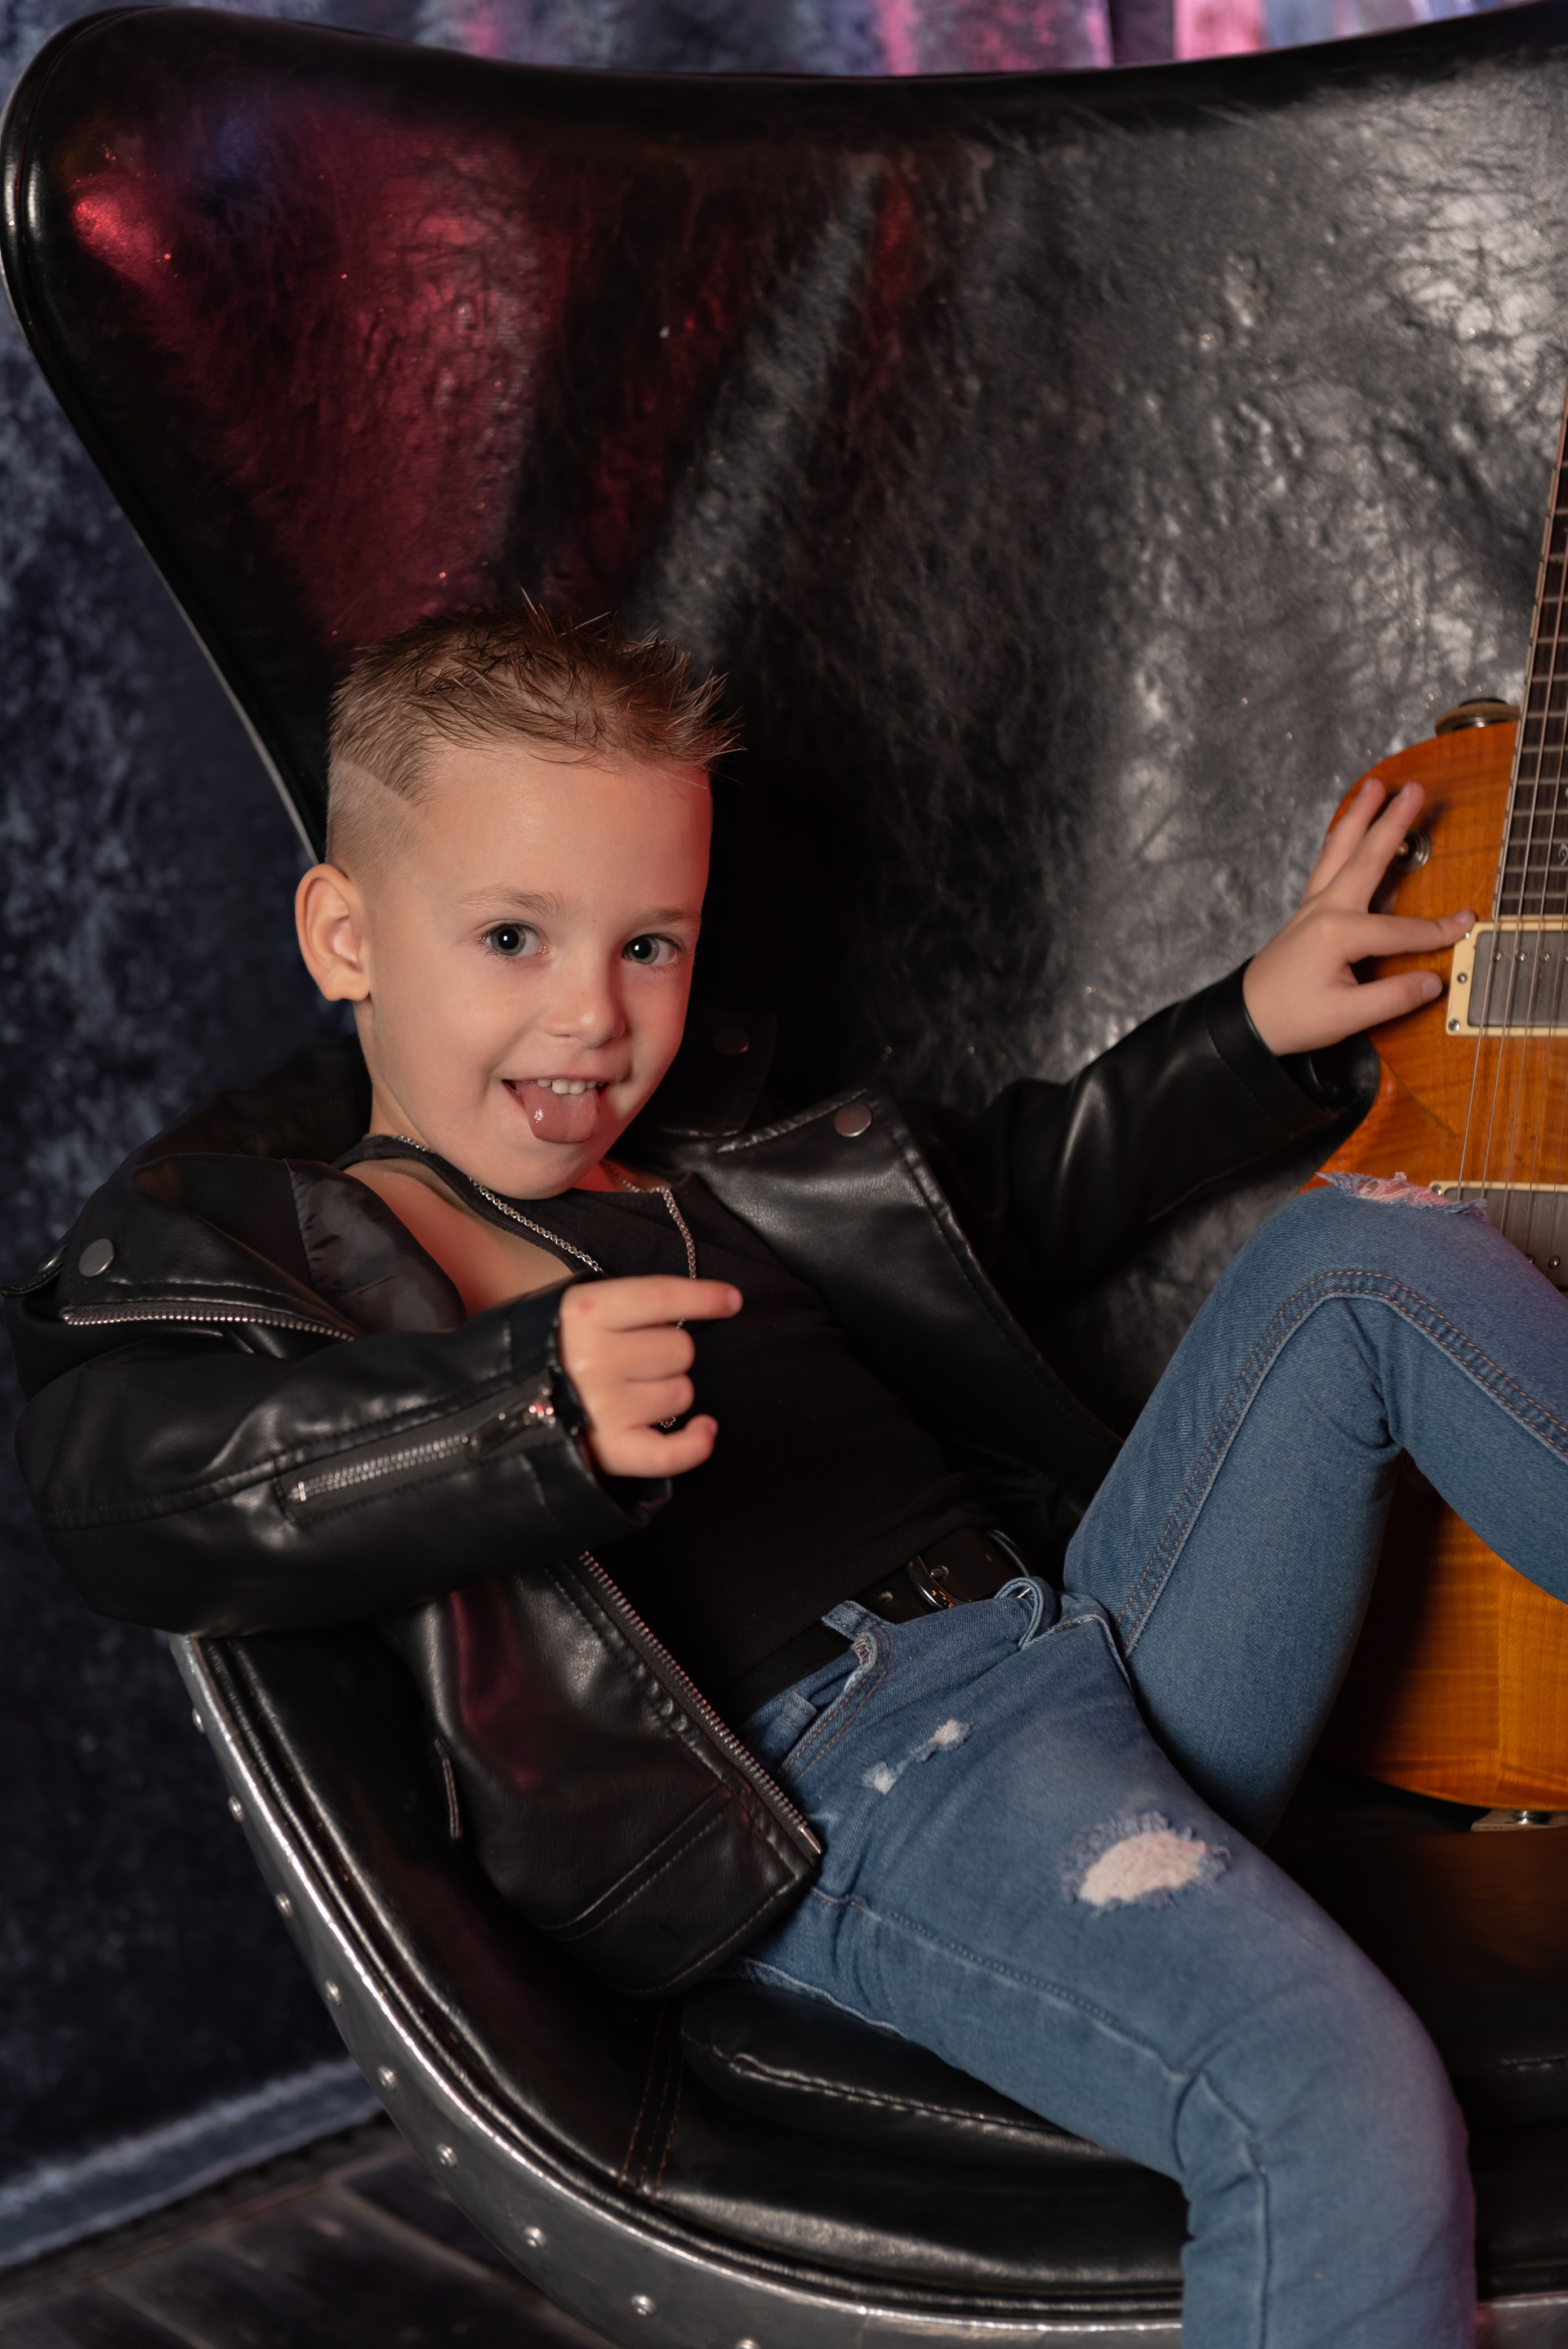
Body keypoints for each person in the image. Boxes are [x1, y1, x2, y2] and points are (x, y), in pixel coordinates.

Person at [8, 601, 1559, 2349]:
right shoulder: (290, 1255)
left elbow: (1011, 1197)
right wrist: (524, 1408)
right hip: (872, 1794)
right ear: (345, 933)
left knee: (1365, 1260)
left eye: (649, 945)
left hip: (1092, 1644)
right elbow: (119, 1488)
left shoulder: (710, 1168)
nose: (593, 1014)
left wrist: (1251, 1028)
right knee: (1329, 2099)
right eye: (513, 935)